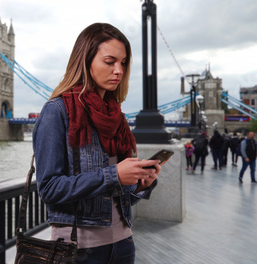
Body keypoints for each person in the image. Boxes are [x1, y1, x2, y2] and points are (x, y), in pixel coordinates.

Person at [33, 23, 161, 264]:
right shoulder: (57, 112)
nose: (119, 70)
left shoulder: (116, 116)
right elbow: (49, 188)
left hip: (123, 244)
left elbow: (118, 196)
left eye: (123, 63)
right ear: (86, 60)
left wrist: (140, 185)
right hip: (78, 249)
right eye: (110, 61)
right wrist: (114, 175)